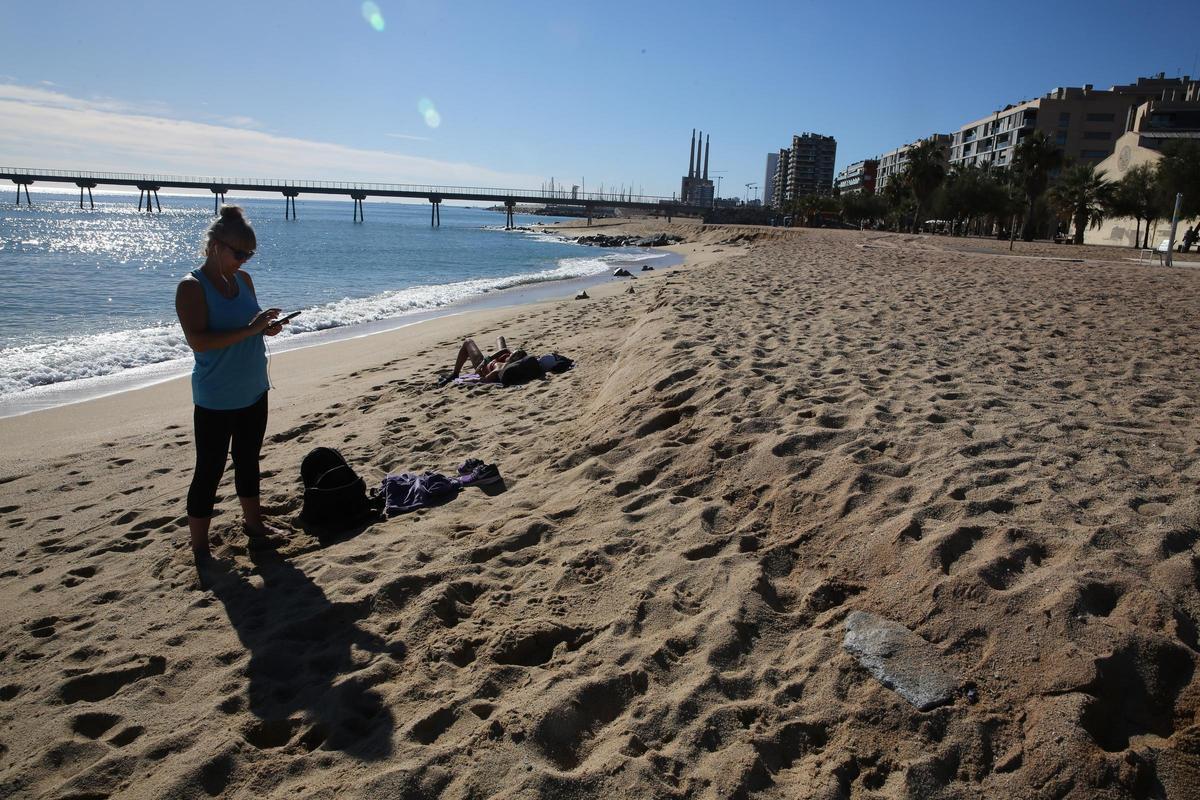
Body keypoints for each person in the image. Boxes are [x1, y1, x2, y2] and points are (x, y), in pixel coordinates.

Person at [175, 206, 290, 563]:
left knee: (248, 461)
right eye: (238, 253)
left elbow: (248, 326)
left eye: (249, 254)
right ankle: (199, 547)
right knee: (208, 469)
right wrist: (251, 330)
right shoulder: (192, 286)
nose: (244, 260)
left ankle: (254, 526)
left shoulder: (244, 281)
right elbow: (199, 341)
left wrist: (265, 327)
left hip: (253, 387)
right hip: (216, 396)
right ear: (214, 245)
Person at [438, 336, 514, 385]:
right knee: (500, 338)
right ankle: (455, 374)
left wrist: (460, 381)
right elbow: (505, 350)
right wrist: (488, 359)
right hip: (496, 361)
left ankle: (455, 374)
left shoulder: (498, 370)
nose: (512, 353)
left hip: (484, 368)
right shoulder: (512, 360)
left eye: (512, 354)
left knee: (468, 342)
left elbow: (482, 380)